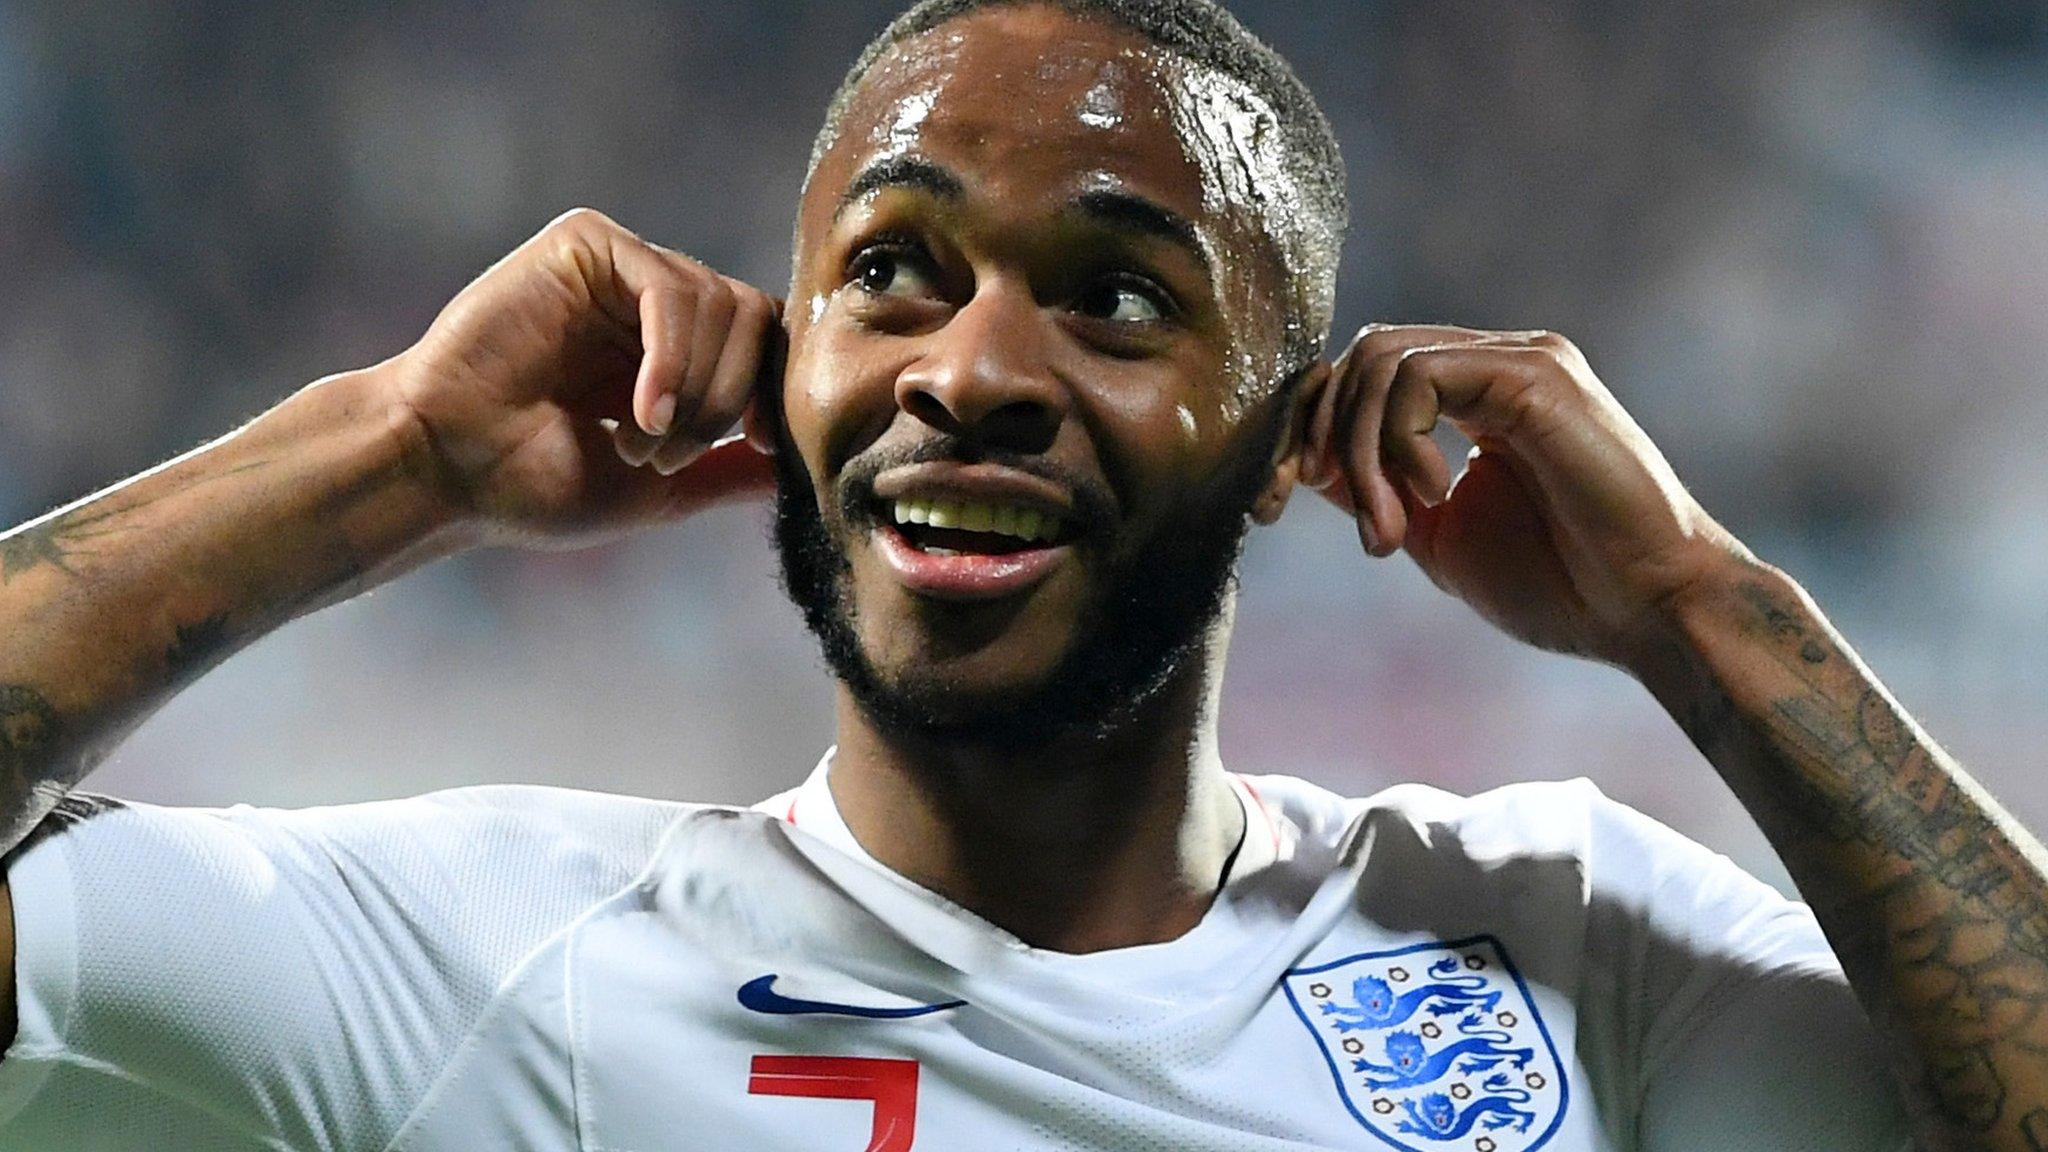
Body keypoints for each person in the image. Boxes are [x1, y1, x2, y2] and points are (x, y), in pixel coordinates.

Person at [0, 0, 2040, 1147]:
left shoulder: (1564, 949)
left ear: (1283, 445)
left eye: (1116, 298)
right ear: (787, 375)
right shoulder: (466, 968)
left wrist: (1701, 610)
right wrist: (385, 454)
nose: (971, 370)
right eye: (890, 271)